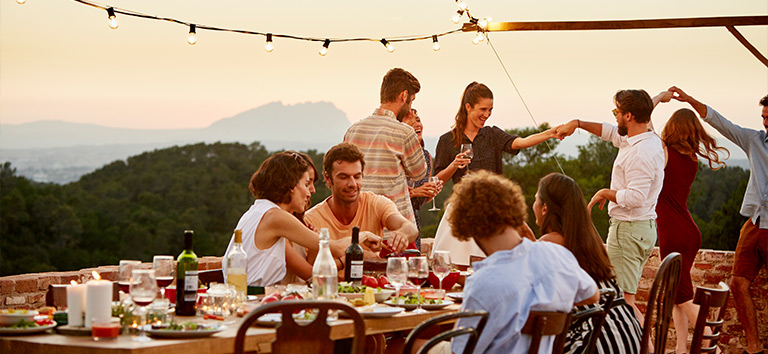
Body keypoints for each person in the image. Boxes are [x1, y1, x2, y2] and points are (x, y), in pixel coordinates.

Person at [448, 170, 599, 354]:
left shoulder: (483, 282)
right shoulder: (558, 255)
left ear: (466, 224)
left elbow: (460, 350)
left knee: (405, 345)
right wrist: (541, 305)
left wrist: (519, 309)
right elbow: (593, 294)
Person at [666, 87, 767, 354]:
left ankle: (711, 346)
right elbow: (719, 121)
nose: (765, 122)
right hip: (755, 222)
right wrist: (689, 100)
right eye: (764, 117)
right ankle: (752, 348)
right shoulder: (755, 140)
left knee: (681, 294)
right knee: (736, 283)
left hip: (680, 230)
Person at [557, 89, 664, 323]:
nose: (614, 117)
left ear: (628, 115)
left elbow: (636, 197)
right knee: (626, 297)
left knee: (624, 301)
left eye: (616, 112)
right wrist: (576, 123)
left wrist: (606, 192)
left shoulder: (640, 152)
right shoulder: (648, 138)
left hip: (628, 229)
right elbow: (610, 132)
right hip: (642, 228)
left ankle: (645, 346)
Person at [431, 82, 562, 268]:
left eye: (490, 109)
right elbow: (438, 180)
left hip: (492, 212)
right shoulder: (447, 140)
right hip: (462, 211)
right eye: (483, 109)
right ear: (468, 107)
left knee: (495, 265)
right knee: (457, 266)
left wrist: (550, 133)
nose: (487, 114)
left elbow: (521, 143)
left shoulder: (492, 134)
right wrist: (454, 165)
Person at [222, 152, 381, 287]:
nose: (310, 192)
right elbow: (336, 248)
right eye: (306, 184)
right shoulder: (275, 217)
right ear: (290, 184)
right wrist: (364, 235)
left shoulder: (258, 211)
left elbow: (312, 273)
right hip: (256, 303)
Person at [534, 173, 642, 354]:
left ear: (544, 208)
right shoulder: (591, 243)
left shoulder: (548, 244)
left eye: (536, 199)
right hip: (627, 337)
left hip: (595, 342)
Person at [651, 103, 729, 353]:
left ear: (673, 128)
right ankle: (681, 349)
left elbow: (644, 126)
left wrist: (658, 98)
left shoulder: (665, 152)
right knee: (677, 294)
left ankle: (713, 347)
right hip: (688, 231)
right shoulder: (691, 158)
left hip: (673, 232)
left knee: (683, 297)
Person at [304, 142, 417, 261]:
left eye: (357, 176)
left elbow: (410, 229)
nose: (352, 184)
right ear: (328, 179)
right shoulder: (311, 219)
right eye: (344, 177)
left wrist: (402, 234)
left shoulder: (376, 203)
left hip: (371, 279)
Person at [343, 68, 427, 226]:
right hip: (394, 228)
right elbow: (420, 173)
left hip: (359, 224)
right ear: (403, 96)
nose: (410, 108)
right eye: (411, 100)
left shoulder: (352, 130)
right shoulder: (404, 132)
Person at [401, 108, 443, 250]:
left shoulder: (426, 156)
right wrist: (415, 192)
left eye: (418, 120)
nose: (417, 124)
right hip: (397, 221)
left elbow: (422, 200)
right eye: (411, 121)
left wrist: (431, 193)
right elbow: (387, 193)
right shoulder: (396, 154)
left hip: (414, 222)